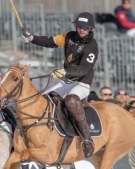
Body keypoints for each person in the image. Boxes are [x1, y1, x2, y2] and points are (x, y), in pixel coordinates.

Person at [22, 12, 98, 158]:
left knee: (71, 101)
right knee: (43, 100)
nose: (82, 29)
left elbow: (84, 69)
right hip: (66, 81)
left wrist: (64, 72)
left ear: (91, 29)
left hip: (81, 83)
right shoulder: (69, 36)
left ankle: (88, 140)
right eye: (79, 26)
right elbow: (50, 41)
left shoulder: (92, 47)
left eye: (85, 28)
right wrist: (32, 38)